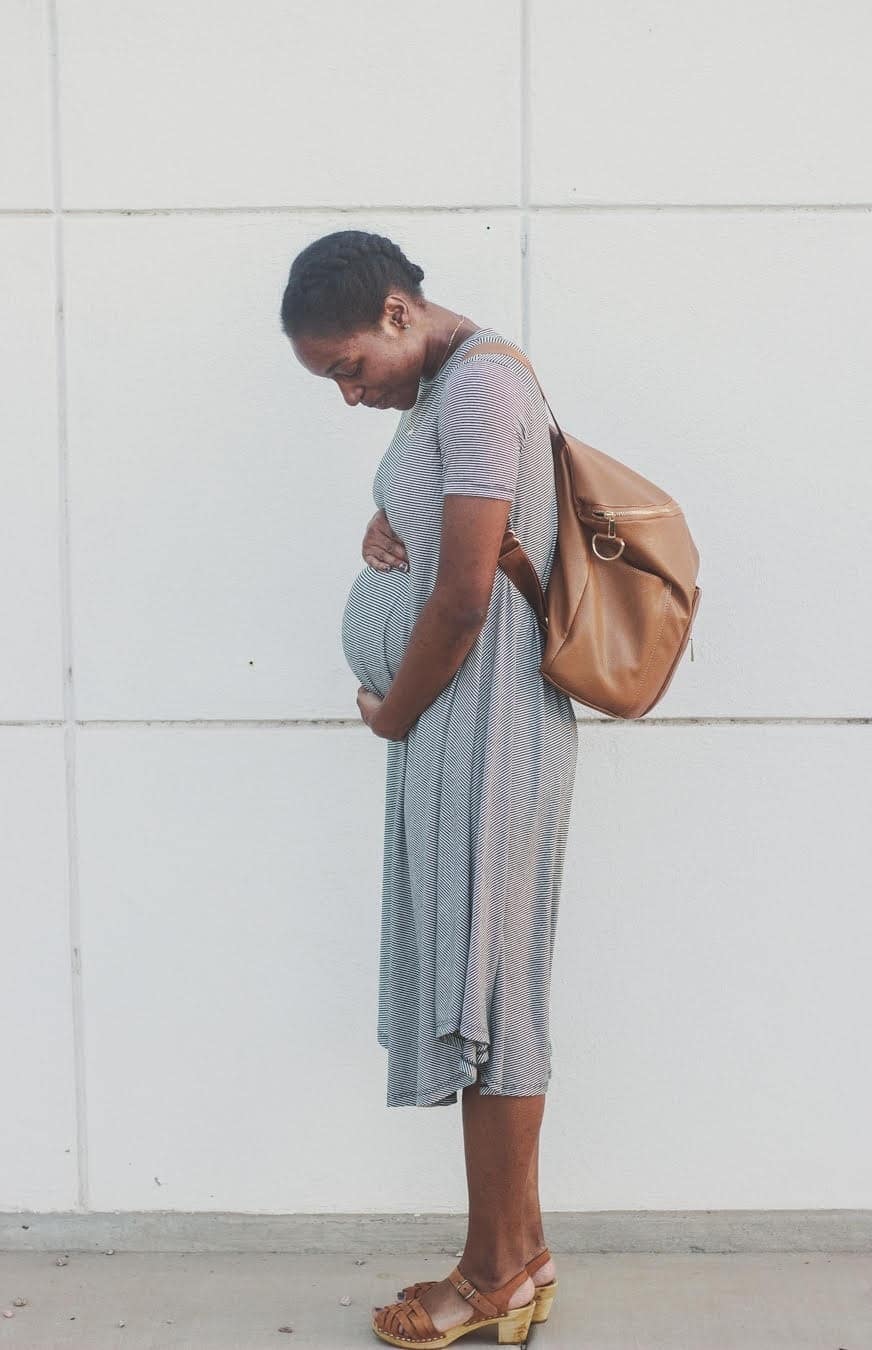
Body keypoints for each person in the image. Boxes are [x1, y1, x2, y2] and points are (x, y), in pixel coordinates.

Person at [281, 229, 577, 1346]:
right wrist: (389, 512)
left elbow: (463, 597)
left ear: (400, 312)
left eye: (348, 366)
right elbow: (460, 533)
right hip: (466, 728)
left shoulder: (483, 386)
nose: (347, 392)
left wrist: (392, 712)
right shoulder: (444, 389)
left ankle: (493, 1271)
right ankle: (521, 1251)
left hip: (485, 729)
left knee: (489, 1001)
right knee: (485, 989)